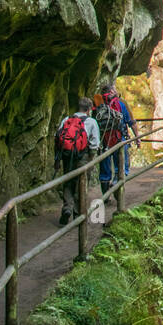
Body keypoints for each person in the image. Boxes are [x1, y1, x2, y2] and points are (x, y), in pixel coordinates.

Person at [54, 97, 100, 226]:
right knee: (82, 184)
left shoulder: (67, 120)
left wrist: (57, 160)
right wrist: (91, 158)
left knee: (68, 182)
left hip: (67, 156)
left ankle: (67, 208)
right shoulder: (91, 122)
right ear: (89, 109)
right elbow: (94, 144)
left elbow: (57, 138)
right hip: (83, 157)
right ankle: (77, 214)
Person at [93, 85, 125, 200]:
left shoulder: (97, 105)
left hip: (103, 142)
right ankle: (117, 190)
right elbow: (126, 119)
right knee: (118, 167)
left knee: (104, 170)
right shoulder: (119, 104)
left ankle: (105, 196)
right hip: (117, 141)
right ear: (112, 91)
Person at [112, 85, 141, 175]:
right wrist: (137, 137)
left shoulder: (102, 104)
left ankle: (111, 181)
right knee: (123, 161)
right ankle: (122, 176)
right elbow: (131, 122)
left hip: (106, 139)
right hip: (120, 137)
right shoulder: (122, 103)